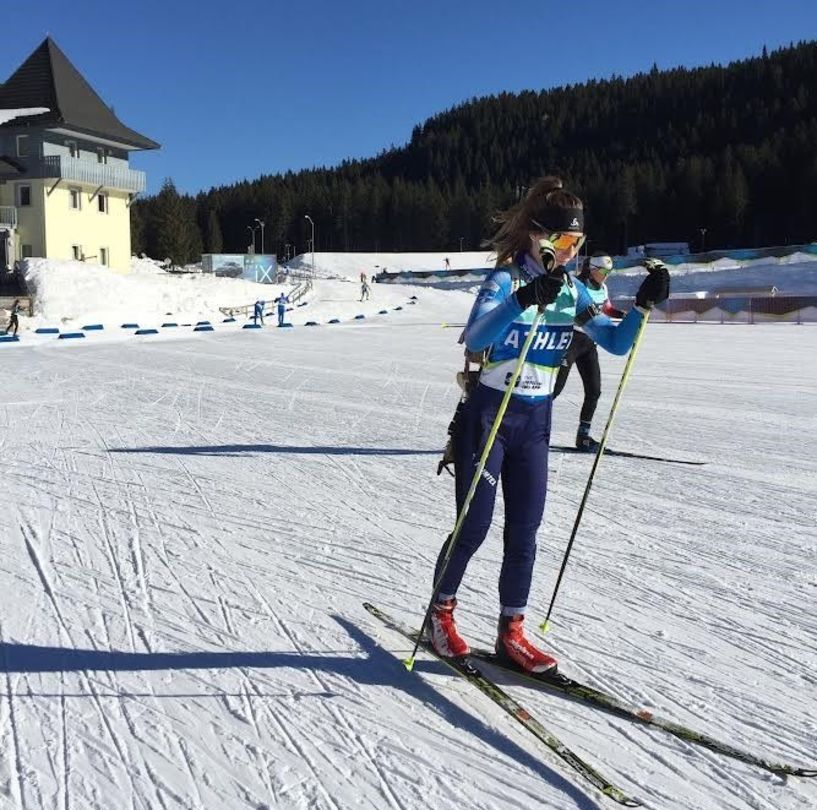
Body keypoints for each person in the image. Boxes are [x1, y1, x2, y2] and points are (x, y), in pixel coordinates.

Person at [429, 175, 669, 673]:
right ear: (536, 236)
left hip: (535, 421)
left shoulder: (575, 292)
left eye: (576, 243)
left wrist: (643, 308)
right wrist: (523, 299)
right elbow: (474, 337)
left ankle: (511, 631)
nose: (569, 251)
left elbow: (616, 342)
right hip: (490, 415)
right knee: (474, 525)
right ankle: (440, 614)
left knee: (526, 531)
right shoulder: (506, 280)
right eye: (561, 240)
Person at [552, 252, 625, 452]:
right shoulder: (577, 285)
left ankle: (583, 436)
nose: (606, 275)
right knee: (554, 390)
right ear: (592, 269)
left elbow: (606, 308)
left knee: (594, 390)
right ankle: (530, 425)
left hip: (589, 343)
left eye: (609, 271)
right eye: (603, 271)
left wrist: (621, 315)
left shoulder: (603, 287)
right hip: (571, 341)